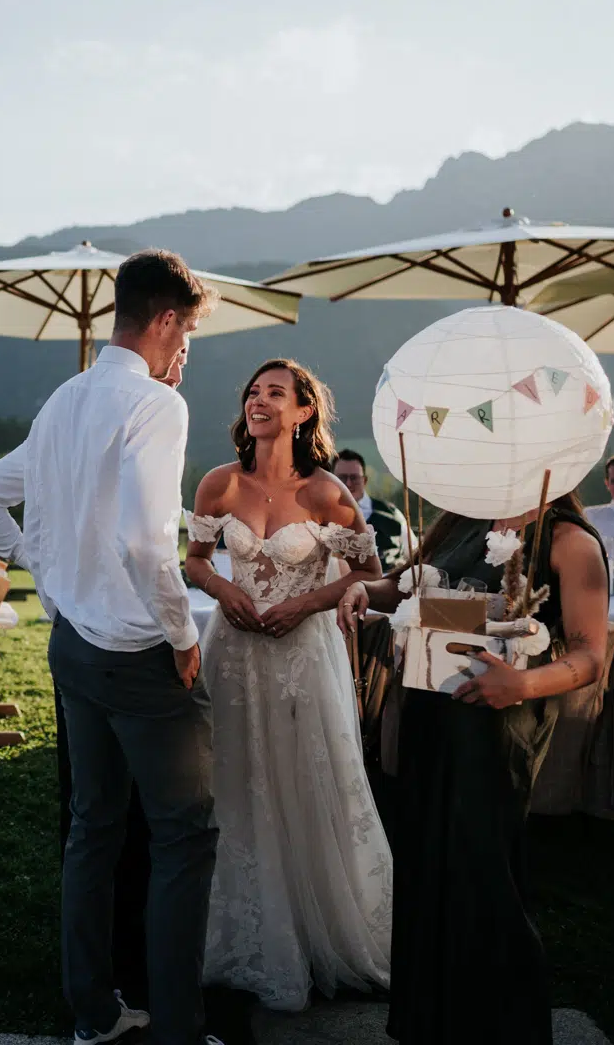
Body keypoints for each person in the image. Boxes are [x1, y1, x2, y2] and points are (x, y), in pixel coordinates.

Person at [0, 249, 221, 1045]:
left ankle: (94, 1015)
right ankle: (178, 1030)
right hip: (137, 652)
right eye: (187, 338)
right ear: (166, 321)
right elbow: (147, 543)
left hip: (71, 645)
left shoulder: (63, 400)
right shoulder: (157, 405)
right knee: (185, 835)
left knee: (92, 828)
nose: (185, 356)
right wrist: (183, 635)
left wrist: (48, 569)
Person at [337, 491, 610, 1045]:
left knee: (484, 872)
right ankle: (430, 1023)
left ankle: (503, 1030)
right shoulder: (461, 520)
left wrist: (523, 683)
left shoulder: (568, 540)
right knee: (426, 863)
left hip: (498, 726)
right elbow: (406, 586)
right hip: (429, 716)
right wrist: (365, 589)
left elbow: (589, 656)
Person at [186, 361, 390, 1011]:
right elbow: (195, 561)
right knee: (231, 783)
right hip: (233, 656)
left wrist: (305, 604)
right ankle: (234, 935)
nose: (259, 400)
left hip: (303, 658)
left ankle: (313, 930)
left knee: (304, 781)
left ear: (304, 412)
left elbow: (371, 575)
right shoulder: (219, 483)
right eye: (253, 392)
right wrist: (223, 590)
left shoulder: (328, 492)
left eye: (275, 393)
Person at [333, 449, 414, 570]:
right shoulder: (319, 517)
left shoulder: (392, 514)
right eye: (342, 478)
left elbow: (414, 554)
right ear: (332, 480)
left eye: (354, 478)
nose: (348, 483)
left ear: (364, 480)